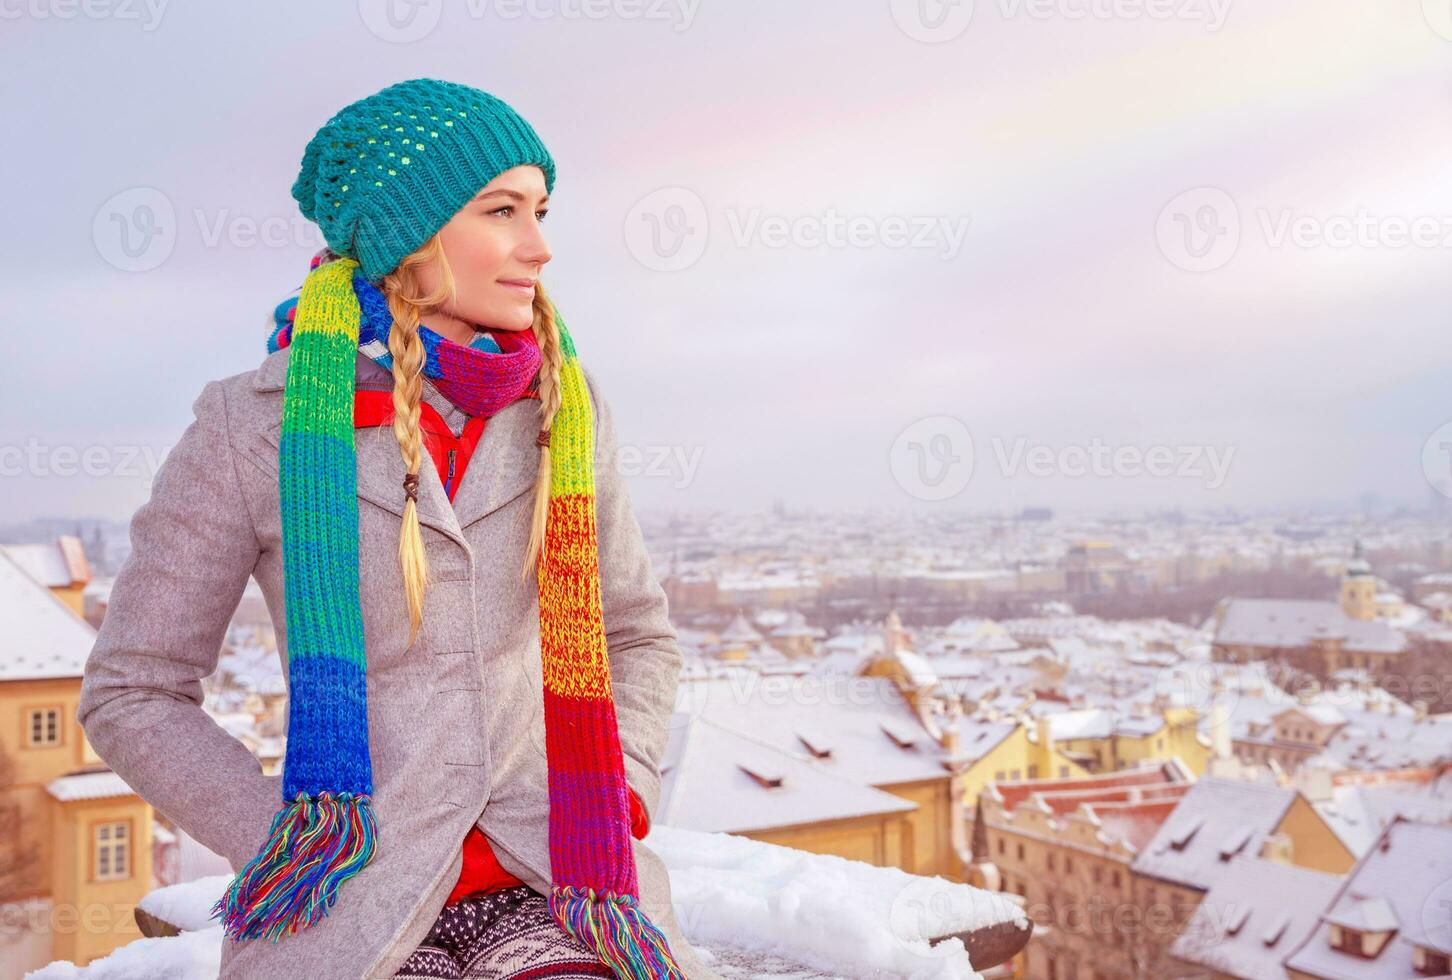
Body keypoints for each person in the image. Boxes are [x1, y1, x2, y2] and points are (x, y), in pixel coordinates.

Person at [77, 77, 720, 980]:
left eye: (541, 211)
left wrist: (624, 789)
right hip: (351, 902)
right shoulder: (251, 428)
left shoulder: (566, 409)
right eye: (502, 211)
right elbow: (135, 687)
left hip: (564, 876)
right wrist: (285, 836)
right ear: (404, 235)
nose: (538, 247)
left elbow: (637, 634)